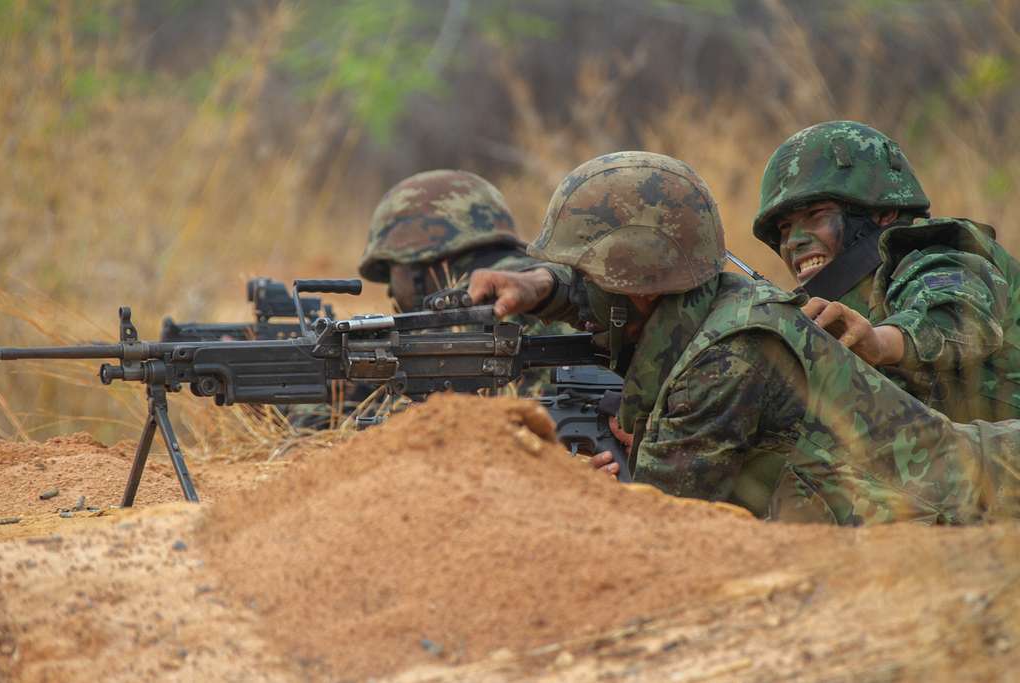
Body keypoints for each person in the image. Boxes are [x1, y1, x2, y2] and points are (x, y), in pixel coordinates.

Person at [467, 151, 1019, 526]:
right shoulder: (710, 302)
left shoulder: (729, 353)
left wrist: (572, 490)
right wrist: (541, 285)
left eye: (588, 277)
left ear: (634, 281)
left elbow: (656, 530)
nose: (581, 297)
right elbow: (599, 298)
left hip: (979, 497)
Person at [752, 120, 1020, 422]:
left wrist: (880, 343)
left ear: (884, 213)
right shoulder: (832, 309)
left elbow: (959, 314)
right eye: (784, 228)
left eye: (815, 215)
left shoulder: (937, 255)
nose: (793, 241)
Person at [359, 169, 544, 313]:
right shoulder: (553, 288)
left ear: (421, 261)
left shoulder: (488, 308)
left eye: (392, 267)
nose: (390, 292)